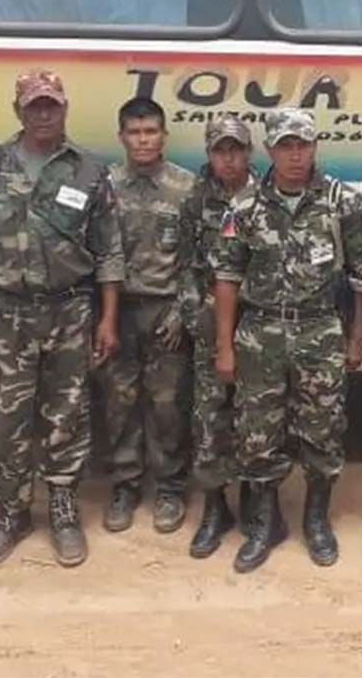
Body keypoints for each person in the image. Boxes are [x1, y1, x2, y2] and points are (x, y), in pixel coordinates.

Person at [0, 69, 123, 570]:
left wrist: (108, 320)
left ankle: (64, 511)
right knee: (9, 418)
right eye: (34, 107)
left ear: (65, 109)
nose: (43, 114)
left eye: (51, 105)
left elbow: (109, 252)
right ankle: (9, 514)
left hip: (69, 309)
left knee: (67, 415)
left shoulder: (90, 171)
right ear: (19, 112)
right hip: (8, 311)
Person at [212, 108, 362, 573]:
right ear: (269, 151)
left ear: (314, 148)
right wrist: (224, 346)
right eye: (286, 146)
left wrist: (358, 337)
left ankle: (316, 520)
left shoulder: (340, 202)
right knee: (258, 432)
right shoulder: (244, 206)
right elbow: (226, 278)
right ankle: (264, 524)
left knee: (323, 430)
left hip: (319, 329)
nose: (295, 155)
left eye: (303, 145)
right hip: (261, 331)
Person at [101, 98, 198, 536]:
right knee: (119, 402)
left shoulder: (186, 187)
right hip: (118, 310)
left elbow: (200, 259)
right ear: (121, 136)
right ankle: (124, 486)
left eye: (151, 132)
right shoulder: (104, 187)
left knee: (167, 406)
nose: (143, 140)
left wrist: (183, 310)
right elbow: (92, 253)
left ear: (163, 136)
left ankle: (171, 488)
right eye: (135, 132)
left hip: (166, 311)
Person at [180, 114, 256, 559]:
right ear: (210, 154)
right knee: (209, 421)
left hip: (259, 331)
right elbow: (186, 267)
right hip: (211, 330)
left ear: (248, 152)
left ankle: (253, 502)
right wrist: (197, 316)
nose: (228, 159)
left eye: (236, 150)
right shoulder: (196, 202)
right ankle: (214, 507)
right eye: (220, 150)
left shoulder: (265, 197)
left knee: (255, 422)